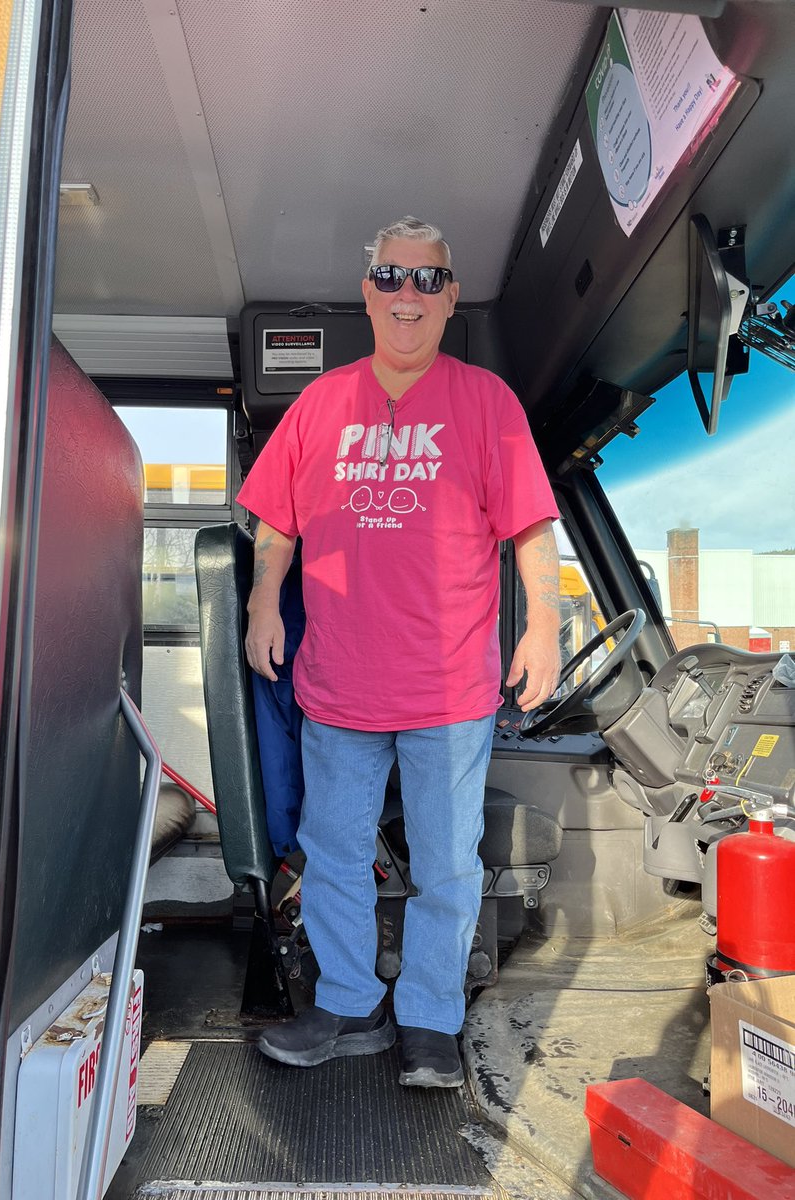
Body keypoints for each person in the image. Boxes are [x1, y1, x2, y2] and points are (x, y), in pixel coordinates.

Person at [237, 216, 560, 1087]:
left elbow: (531, 526)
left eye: (428, 280)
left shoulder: (486, 404)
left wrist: (545, 624)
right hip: (337, 685)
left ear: (451, 298)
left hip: (450, 686)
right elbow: (276, 523)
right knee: (331, 849)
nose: (407, 295)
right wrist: (265, 601)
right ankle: (347, 1003)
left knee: (448, 864)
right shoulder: (320, 403)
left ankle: (428, 1018)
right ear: (368, 292)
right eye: (391, 277)